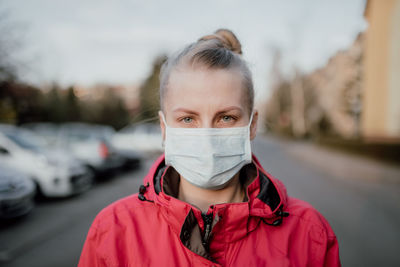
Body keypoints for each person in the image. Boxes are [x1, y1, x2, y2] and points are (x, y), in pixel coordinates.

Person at [78, 29, 340, 267]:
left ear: (252, 125)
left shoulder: (308, 234)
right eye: (187, 119)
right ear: (164, 128)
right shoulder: (114, 230)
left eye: (226, 117)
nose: (207, 136)